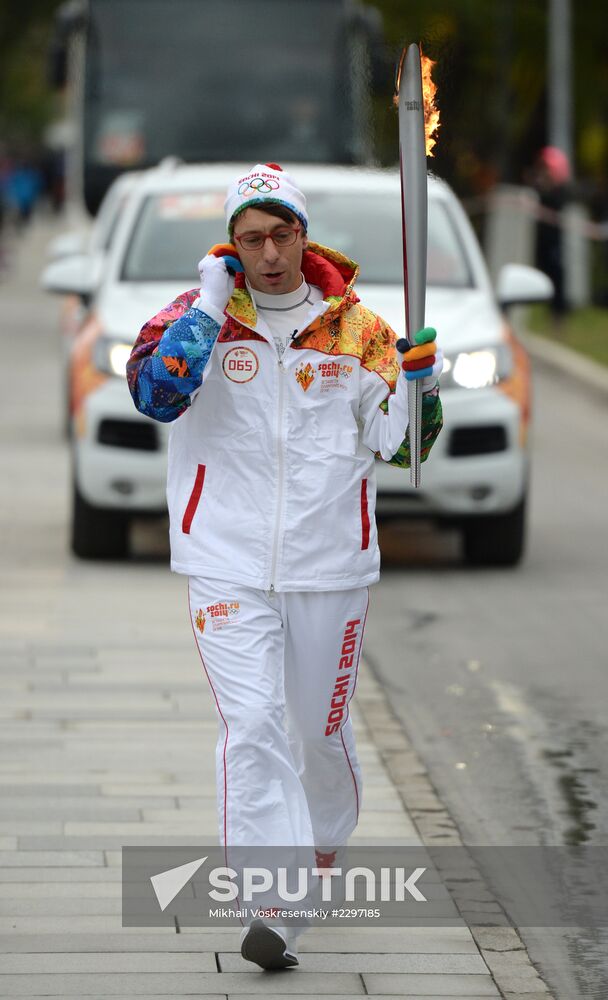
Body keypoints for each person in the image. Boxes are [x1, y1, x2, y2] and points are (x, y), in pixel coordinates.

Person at [127, 163, 443, 969]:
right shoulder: (192, 319)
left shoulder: (358, 332)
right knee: (255, 727)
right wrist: (205, 306)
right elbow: (158, 397)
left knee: (317, 734)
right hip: (224, 562)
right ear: (231, 247)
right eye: (251, 239)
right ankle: (275, 903)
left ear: (304, 235)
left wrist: (421, 385)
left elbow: (404, 449)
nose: (269, 253)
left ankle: (325, 845)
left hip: (330, 566)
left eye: (282, 234)